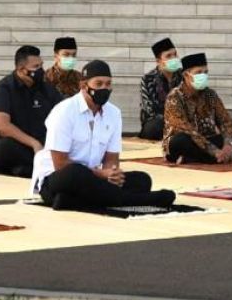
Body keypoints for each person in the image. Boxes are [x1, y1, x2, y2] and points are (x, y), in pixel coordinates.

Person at [32, 60, 175, 211]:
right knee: (76, 172)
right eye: (98, 84)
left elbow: (111, 160)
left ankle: (72, 201)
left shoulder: (113, 113)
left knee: (142, 180)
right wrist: (101, 175)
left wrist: (112, 175)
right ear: (83, 86)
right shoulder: (64, 111)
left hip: (93, 179)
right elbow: (60, 164)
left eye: (108, 84)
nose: (104, 88)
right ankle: (136, 200)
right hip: (57, 179)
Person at [0, 45, 62, 177]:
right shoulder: (3, 88)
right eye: (36, 67)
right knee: (6, 147)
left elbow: (62, 113)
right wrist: (34, 143)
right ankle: (46, 167)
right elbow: (2, 127)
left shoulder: (46, 89)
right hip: (7, 147)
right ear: (21, 69)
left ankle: (28, 169)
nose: (41, 70)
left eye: (41, 65)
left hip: (38, 147)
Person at [162, 53, 232, 165]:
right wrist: (215, 151)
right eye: (198, 72)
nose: (203, 75)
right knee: (180, 141)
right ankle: (214, 158)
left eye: (205, 72)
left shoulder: (210, 94)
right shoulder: (174, 97)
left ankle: (196, 158)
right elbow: (186, 129)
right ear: (186, 75)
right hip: (186, 141)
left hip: (208, 138)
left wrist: (228, 145)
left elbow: (225, 121)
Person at [139, 37, 182, 140]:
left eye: (175, 54)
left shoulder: (184, 76)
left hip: (182, 122)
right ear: (159, 61)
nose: (174, 58)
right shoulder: (148, 79)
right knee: (155, 126)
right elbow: (151, 110)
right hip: (158, 123)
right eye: (168, 56)